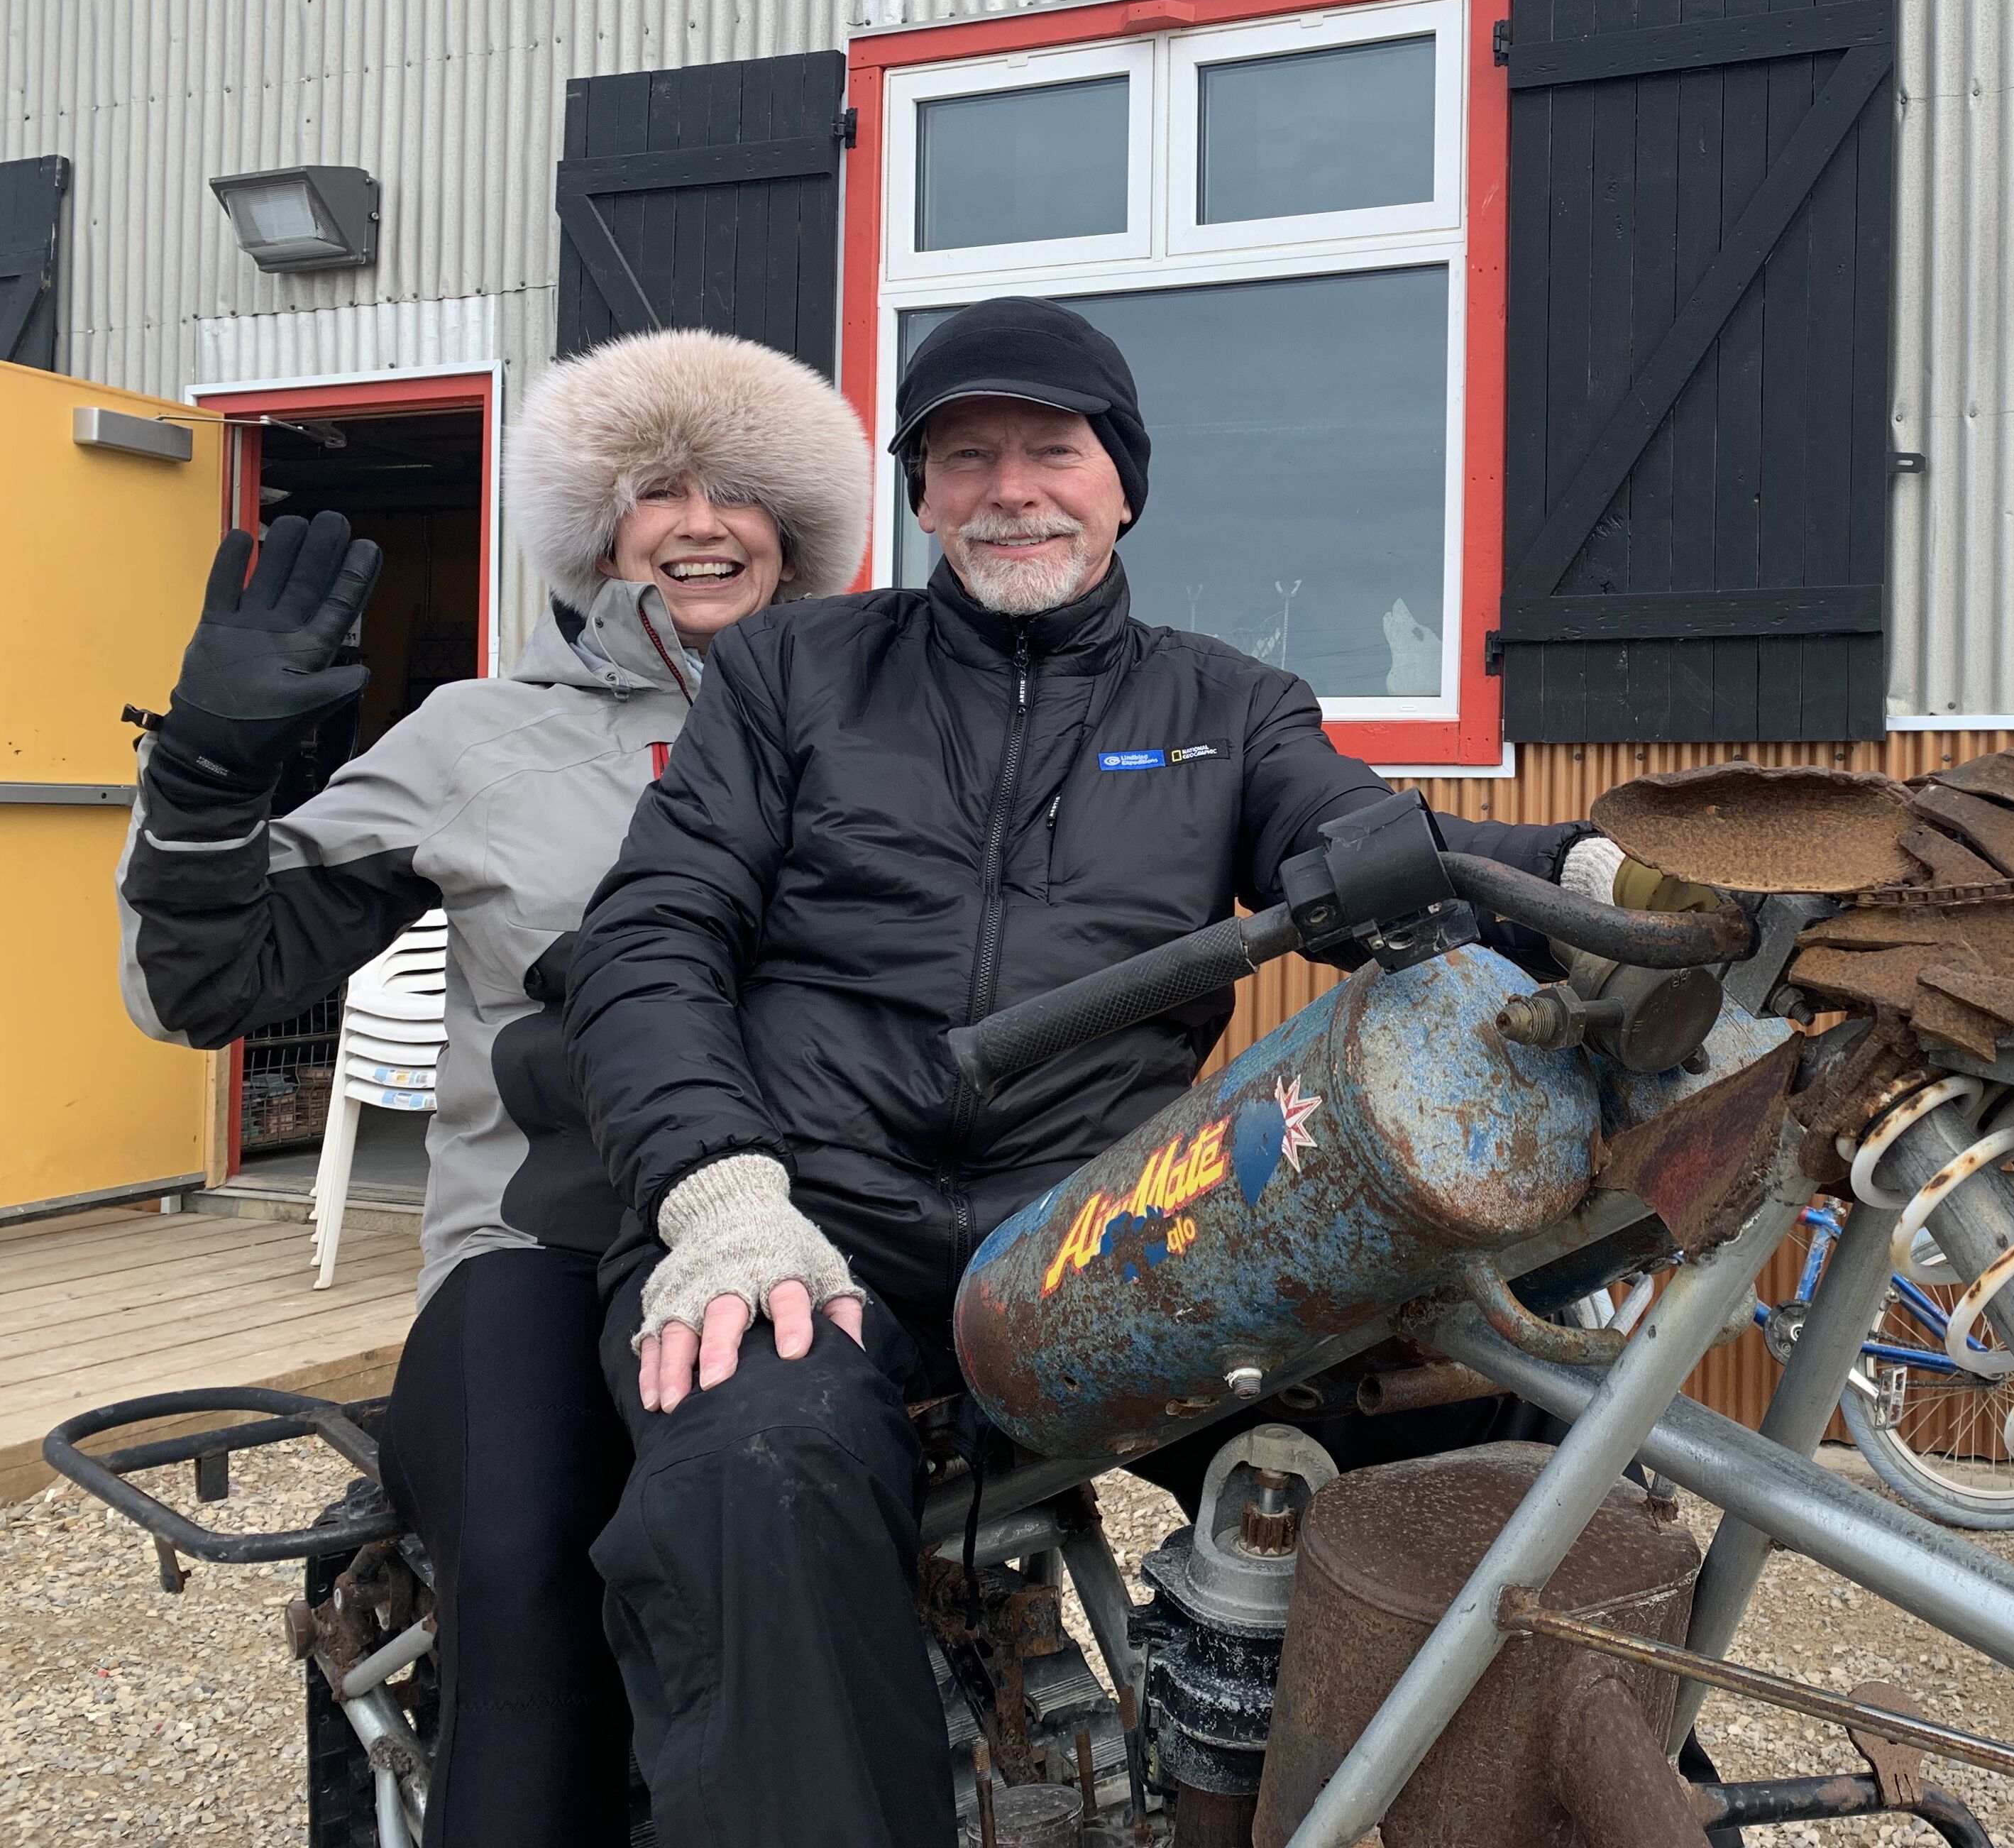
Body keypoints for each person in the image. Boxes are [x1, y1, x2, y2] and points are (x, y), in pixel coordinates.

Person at [563, 296, 1629, 1846]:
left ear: (1123, 482)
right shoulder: (792, 669)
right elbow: (652, 932)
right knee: (757, 1473)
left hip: (1099, 1239)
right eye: (965, 456)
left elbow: (1370, 844)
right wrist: (716, 1198)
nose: (1011, 490)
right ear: (921, 496)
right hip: (803, 1219)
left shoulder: (1228, 710)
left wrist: (1606, 885)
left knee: (1482, 1429)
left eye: (1052, 452)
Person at [116, 329, 870, 1847]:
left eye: (740, 490)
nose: (701, 523)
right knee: (529, 1577)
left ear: (796, 532)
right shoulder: (479, 736)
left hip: (839, 1218)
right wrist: (203, 780)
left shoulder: (880, 724)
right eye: (656, 490)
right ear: (598, 528)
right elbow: (204, 985)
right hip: (549, 1235)